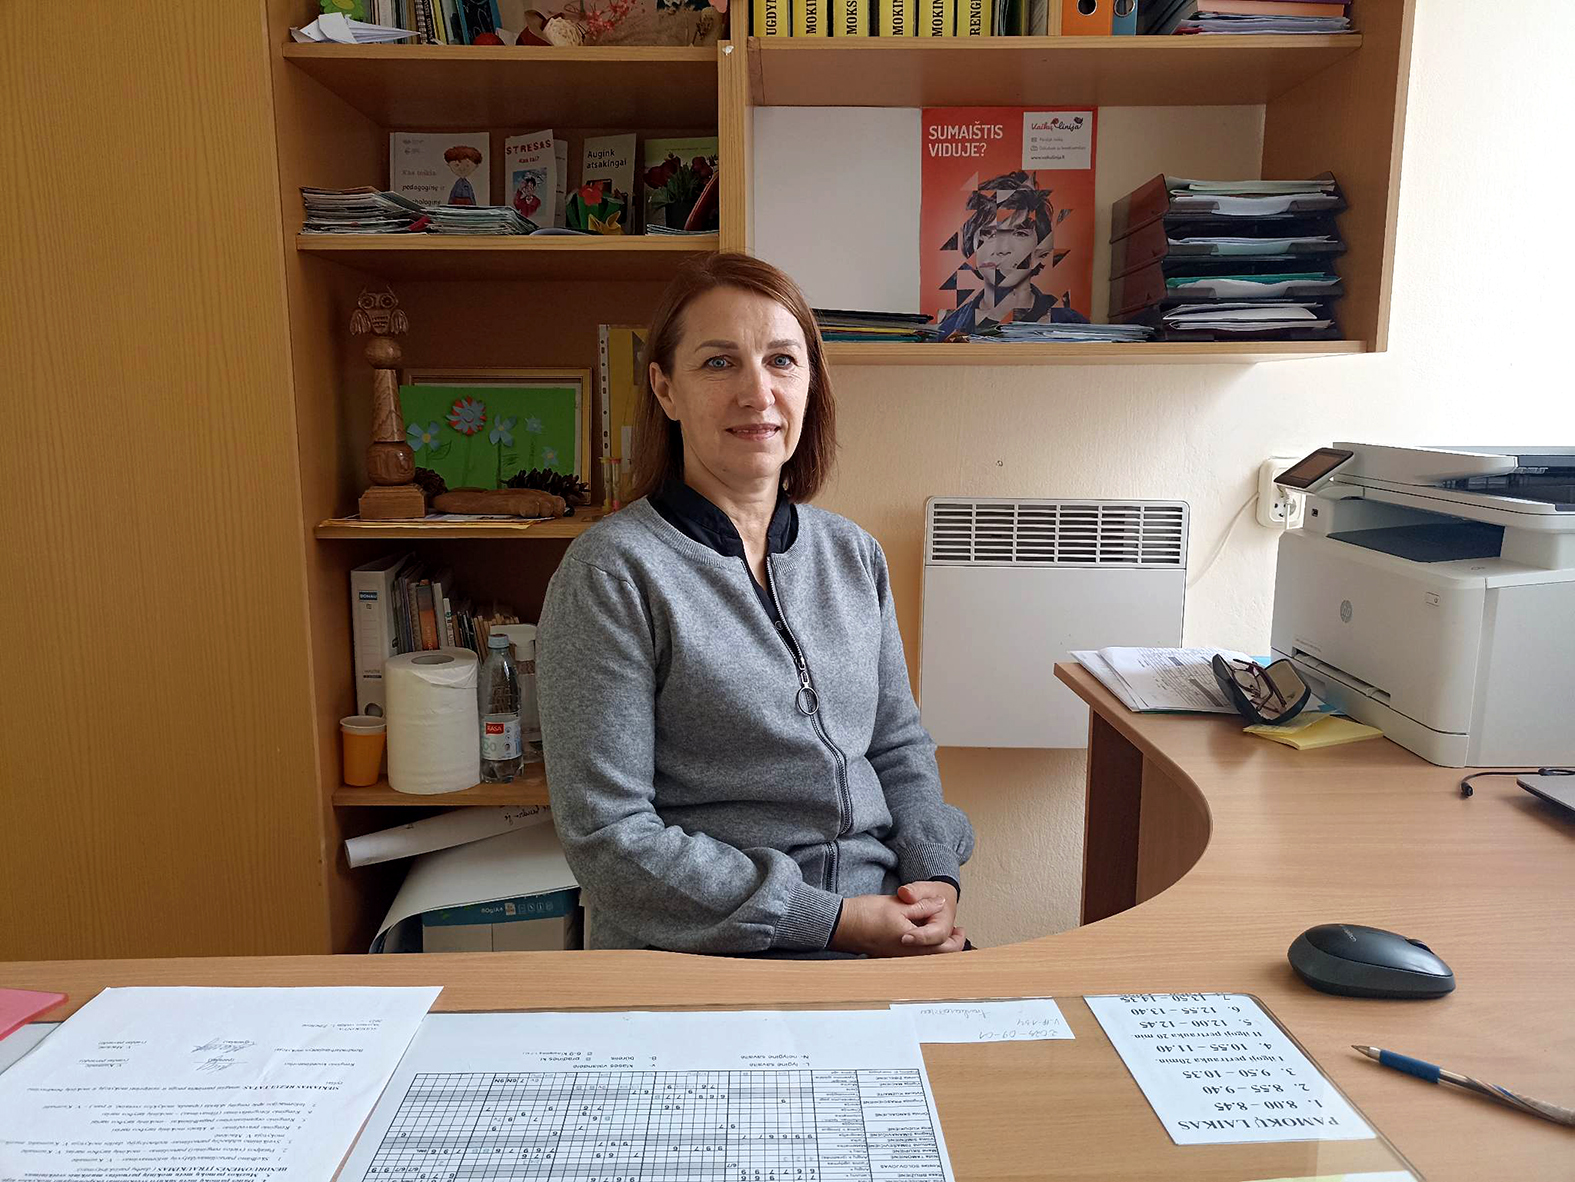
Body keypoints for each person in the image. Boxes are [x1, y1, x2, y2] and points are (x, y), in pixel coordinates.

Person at [538, 254, 975, 958]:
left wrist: (932, 876)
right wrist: (834, 921)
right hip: (710, 948)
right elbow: (608, 836)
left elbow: (896, 746)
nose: (758, 392)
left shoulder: (852, 554)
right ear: (665, 389)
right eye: (719, 363)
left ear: (809, 382)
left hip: (883, 916)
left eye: (781, 361)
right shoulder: (611, 573)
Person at [935, 170, 1089, 339]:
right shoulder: (947, 329)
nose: (1002, 249)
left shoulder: (1071, 323)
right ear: (972, 245)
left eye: (1019, 234)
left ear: (1040, 249)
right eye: (989, 234)